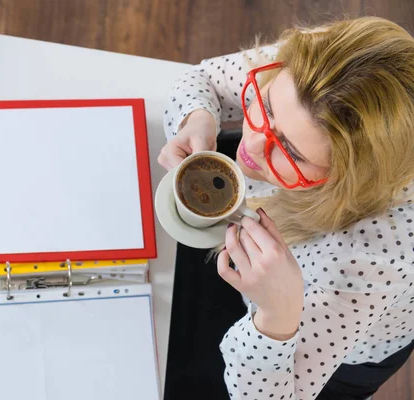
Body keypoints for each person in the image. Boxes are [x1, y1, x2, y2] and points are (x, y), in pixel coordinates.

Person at [159, 16, 414, 400]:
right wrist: (197, 117)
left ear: (346, 182)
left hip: (332, 353)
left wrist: (278, 316)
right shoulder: (329, 70)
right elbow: (204, 78)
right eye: (269, 108)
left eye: (291, 151)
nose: (251, 146)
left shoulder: (372, 260)